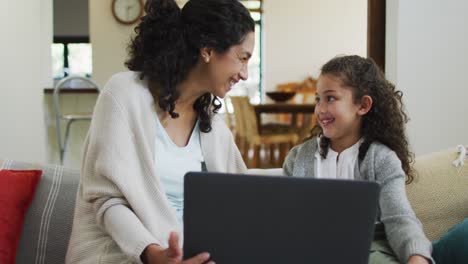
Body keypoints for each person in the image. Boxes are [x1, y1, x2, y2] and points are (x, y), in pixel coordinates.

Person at [65, 0, 255, 263]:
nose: (244, 74)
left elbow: (243, 195)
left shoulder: (212, 127)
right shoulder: (124, 95)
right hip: (121, 254)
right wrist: (153, 254)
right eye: (242, 58)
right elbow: (107, 201)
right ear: (208, 49)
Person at [283, 55, 434, 264]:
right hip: (312, 251)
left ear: (362, 105)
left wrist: (416, 256)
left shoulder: (381, 159)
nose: (320, 109)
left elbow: (400, 218)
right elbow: (286, 221)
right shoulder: (298, 158)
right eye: (318, 99)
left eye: (331, 98)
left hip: (370, 251)